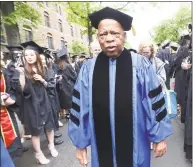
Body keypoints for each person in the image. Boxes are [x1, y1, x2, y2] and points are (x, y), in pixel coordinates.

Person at [68, 7, 173, 167]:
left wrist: (159, 137)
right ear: (98, 38)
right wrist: (79, 144)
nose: (109, 39)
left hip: (135, 146)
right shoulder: (89, 68)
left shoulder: (140, 64)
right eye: (103, 34)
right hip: (102, 146)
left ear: (124, 36)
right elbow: (80, 107)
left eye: (115, 33)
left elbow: (154, 102)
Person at [15, 41, 58, 165]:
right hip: (31, 102)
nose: (29, 57)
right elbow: (21, 90)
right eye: (26, 55)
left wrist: (42, 80)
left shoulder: (43, 68)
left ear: (37, 56)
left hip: (44, 100)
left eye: (32, 54)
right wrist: (22, 76)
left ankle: (51, 146)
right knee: (35, 129)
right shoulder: (21, 70)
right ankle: (38, 154)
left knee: (49, 126)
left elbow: (51, 85)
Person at [0, 51, 25, 161]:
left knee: (11, 149)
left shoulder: (3, 72)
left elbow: (11, 89)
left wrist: (11, 98)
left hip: (5, 113)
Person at [54, 48, 77, 120]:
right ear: (66, 57)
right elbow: (74, 77)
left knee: (66, 104)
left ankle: (67, 115)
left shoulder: (60, 65)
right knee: (71, 104)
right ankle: (70, 115)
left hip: (62, 88)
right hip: (68, 88)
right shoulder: (67, 66)